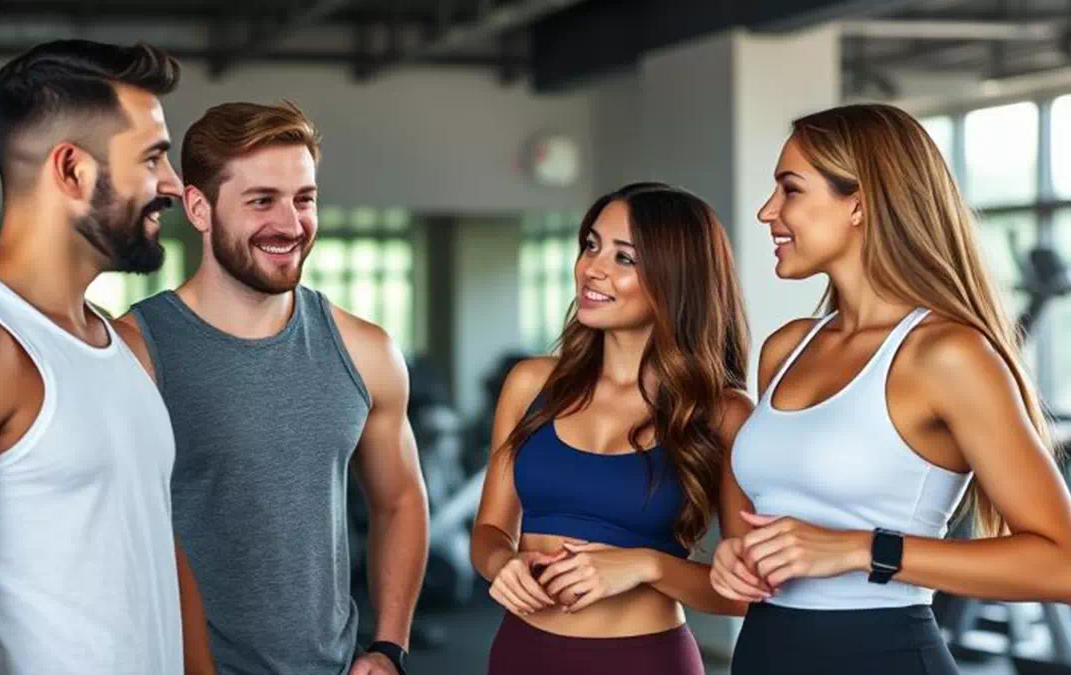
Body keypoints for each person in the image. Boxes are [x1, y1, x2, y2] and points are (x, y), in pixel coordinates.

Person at [0, 40, 214, 675]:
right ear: (72, 170)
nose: (172, 184)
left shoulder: (126, 347)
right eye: (153, 158)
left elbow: (162, 553)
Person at [712, 102, 1071, 675]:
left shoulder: (945, 355)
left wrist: (862, 548)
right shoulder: (787, 348)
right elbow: (781, 519)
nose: (766, 211)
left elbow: (1062, 565)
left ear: (860, 203)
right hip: (764, 651)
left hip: (881, 654)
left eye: (790, 190)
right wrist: (741, 559)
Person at [120, 101, 429, 675]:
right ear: (198, 207)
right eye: (262, 200)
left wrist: (388, 647)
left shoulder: (365, 351)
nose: (291, 225)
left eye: (304, 199)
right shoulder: (132, 354)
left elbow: (400, 500)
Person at [471, 182, 754, 674]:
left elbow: (744, 595)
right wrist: (503, 564)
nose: (592, 267)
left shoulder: (723, 414)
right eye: (591, 245)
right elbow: (491, 529)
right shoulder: (531, 383)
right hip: (521, 652)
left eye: (624, 258)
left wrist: (648, 565)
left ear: (676, 278)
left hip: (645, 659)